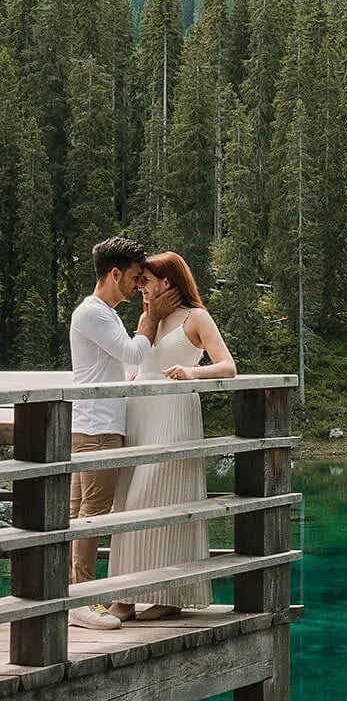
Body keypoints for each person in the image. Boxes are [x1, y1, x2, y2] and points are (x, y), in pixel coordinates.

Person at [106, 251, 237, 622]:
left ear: (167, 282)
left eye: (145, 280)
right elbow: (136, 362)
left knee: (166, 501)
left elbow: (228, 365)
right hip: (139, 415)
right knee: (128, 504)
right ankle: (125, 596)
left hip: (174, 414)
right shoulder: (147, 317)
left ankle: (171, 594)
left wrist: (192, 374)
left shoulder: (197, 317)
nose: (139, 286)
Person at [67, 235, 157, 631]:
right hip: (99, 428)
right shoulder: (97, 314)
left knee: (78, 515)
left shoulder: (97, 312)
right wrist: (152, 313)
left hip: (87, 424)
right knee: (93, 516)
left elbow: (116, 363)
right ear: (115, 273)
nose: (139, 286)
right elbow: (135, 352)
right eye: (136, 278)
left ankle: (69, 597)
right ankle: (82, 601)